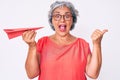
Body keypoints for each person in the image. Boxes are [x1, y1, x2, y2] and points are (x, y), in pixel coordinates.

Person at [22, 1, 108, 80]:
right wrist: (32, 47)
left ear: (72, 20)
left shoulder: (82, 44)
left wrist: (97, 44)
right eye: (57, 16)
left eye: (67, 16)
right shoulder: (42, 43)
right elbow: (31, 74)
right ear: (51, 20)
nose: (62, 20)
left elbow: (93, 74)